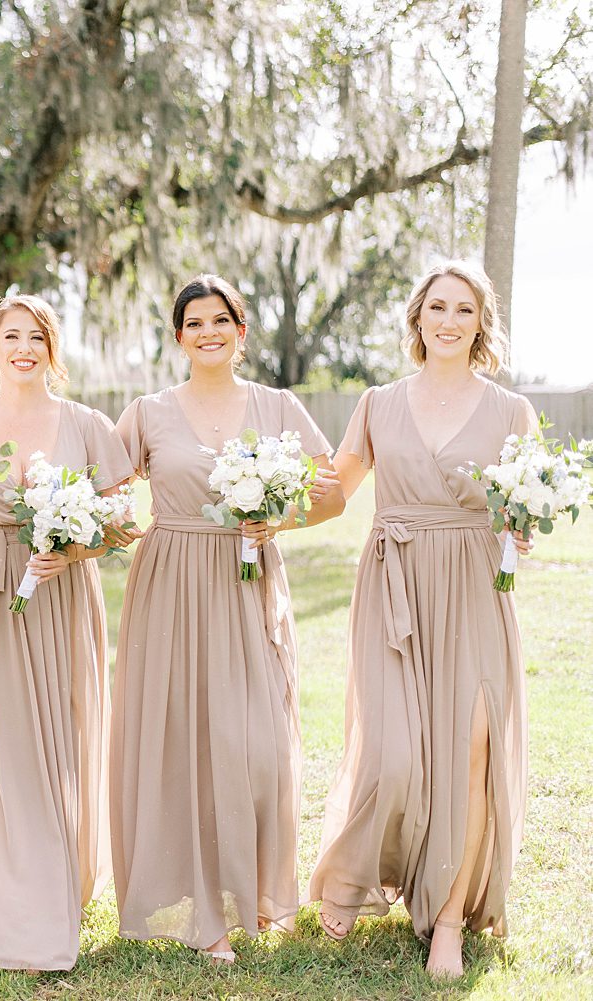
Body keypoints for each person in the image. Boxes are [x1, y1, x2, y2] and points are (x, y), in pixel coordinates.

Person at [309, 261, 536, 979]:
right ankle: (356, 872)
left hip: (473, 589)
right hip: (396, 584)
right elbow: (334, 492)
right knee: (394, 751)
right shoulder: (377, 403)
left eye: (462, 309)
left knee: (471, 754)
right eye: (436, 306)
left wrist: (524, 529)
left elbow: (520, 510)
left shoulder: (511, 410)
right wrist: (257, 507)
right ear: (416, 318)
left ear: (480, 323)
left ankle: (447, 919)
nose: (447, 319)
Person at [110, 274, 341, 963]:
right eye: (194, 323)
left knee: (259, 744)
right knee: (185, 740)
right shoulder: (149, 411)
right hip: (172, 581)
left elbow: (329, 493)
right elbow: (108, 492)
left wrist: (282, 517)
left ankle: (257, 890)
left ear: (242, 332)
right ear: (178, 337)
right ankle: (207, 913)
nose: (207, 332)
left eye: (221, 321)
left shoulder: (277, 407)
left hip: (248, 583)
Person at [0, 294, 132, 971]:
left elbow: (125, 516)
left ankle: (50, 887)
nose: (24, 348)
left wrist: (73, 549)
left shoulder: (88, 423)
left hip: (60, 596)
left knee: (54, 737)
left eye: (36, 336)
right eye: (11, 336)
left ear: (52, 347)